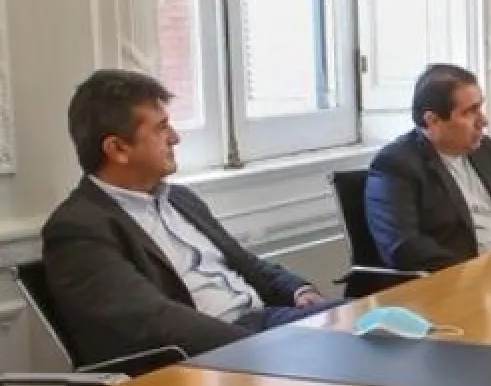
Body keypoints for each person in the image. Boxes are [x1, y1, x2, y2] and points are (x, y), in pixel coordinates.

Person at [40, 70, 337, 366]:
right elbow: (154, 320)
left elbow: (245, 262)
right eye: (161, 128)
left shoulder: (181, 200)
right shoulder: (79, 229)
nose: (175, 138)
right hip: (211, 356)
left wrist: (297, 290)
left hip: (266, 325)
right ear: (118, 149)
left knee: (359, 320)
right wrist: (263, 347)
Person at [365, 64, 491, 272]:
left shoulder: (486, 150)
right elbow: (403, 247)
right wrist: (472, 272)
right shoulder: (396, 164)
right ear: (433, 121)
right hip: (462, 278)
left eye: (480, 108)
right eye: (470, 112)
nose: (483, 121)